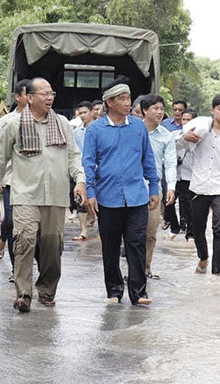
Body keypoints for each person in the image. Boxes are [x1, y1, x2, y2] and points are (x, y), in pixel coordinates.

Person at [0, 77, 86, 313]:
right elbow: (0, 159)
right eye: (44, 94)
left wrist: (80, 180)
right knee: (25, 241)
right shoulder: (13, 124)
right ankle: (23, 292)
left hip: (56, 196)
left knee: (52, 246)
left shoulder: (62, 124)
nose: (50, 98)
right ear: (29, 98)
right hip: (24, 195)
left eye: (52, 93)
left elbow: (73, 156)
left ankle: (47, 290)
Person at [83, 78, 158, 305]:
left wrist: (154, 187)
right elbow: (88, 162)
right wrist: (90, 191)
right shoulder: (96, 129)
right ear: (110, 102)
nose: (128, 103)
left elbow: (148, 158)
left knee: (137, 244)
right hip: (108, 197)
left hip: (136, 196)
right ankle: (114, 291)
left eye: (128, 98)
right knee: (111, 246)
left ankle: (139, 292)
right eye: (122, 99)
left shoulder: (138, 126)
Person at [181, 94, 220, 275]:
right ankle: (203, 257)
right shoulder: (200, 130)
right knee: (197, 228)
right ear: (212, 110)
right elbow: (177, 147)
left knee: (219, 229)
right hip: (198, 185)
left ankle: (217, 272)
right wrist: (185, 137)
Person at [0, 79, 30, 281]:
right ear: (18, 97)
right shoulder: (6, 122)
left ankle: (7, 242)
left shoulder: (49, 122)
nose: (31, 99)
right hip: (12, 182)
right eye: (27, 95)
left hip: (36, 185)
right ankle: (17, 270)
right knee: (13, 223)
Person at [140, 94, 176, 279]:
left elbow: (169, 163)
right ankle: (132, 269)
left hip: (154, 190)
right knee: (131, 233)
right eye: (155, 108)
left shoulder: (166, 136)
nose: (160, 112)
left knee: (150, 232)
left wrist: (171, 187)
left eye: (162, 109)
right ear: (145, 110)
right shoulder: (133, 130)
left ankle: (145, 268)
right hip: (131, 188)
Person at [161, 100, 186, 234]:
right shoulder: (165, 125)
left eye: (180, 110)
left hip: (185, 167)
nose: (177, 112)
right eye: (175, 109)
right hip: (167, 165)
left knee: (183, 198)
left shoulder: (189, 125)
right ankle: (173, 224)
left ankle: (183, 226)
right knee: (168, 197)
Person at [71, 100, 95, 241]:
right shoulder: (76, 132)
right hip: (82, 169)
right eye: (80, 113)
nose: (82, 115)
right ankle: (84, 230)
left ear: (92, 112)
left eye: (85, 112)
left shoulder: (101, 129)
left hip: (99, 170)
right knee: (80, 199)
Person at [175, 108, 198, 240]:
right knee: (181, 203)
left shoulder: (201, 137)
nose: (185, 122)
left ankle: (192, 231)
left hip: (194, 176)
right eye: (183, 119)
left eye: (188, 120)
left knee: (192, 206)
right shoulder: (176, 135)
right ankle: (182, 227)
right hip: (179, 176)